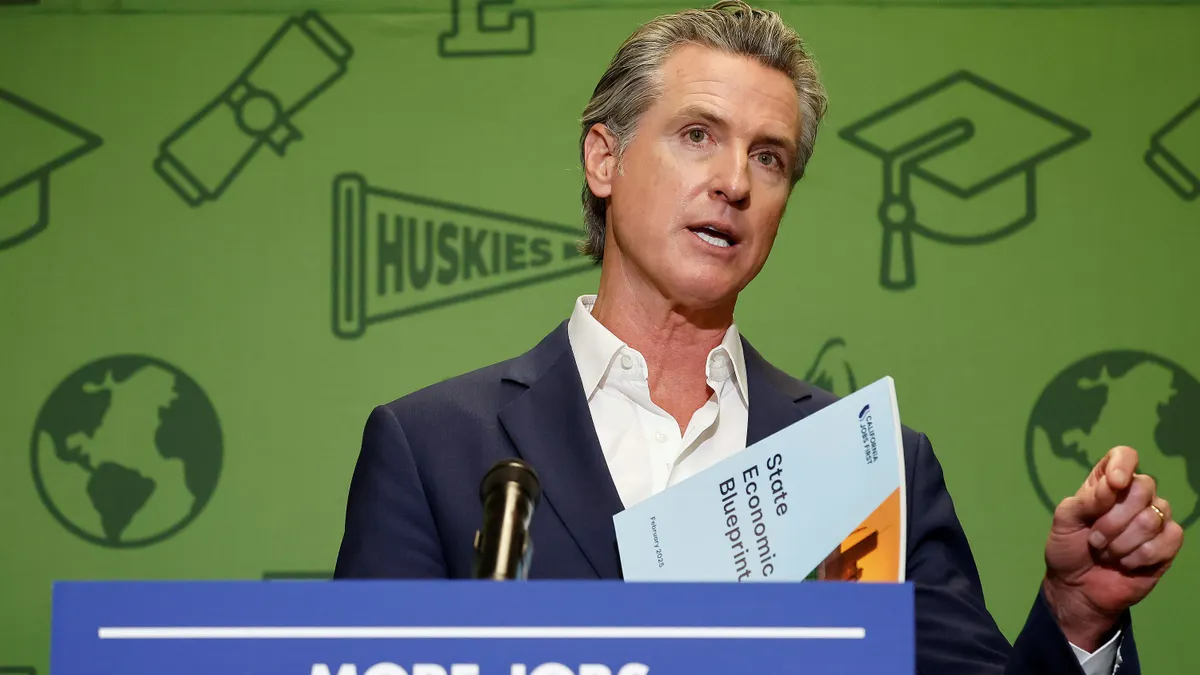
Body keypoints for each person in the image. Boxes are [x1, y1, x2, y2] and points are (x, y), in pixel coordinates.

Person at [333, 3, 1183, 673]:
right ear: (605, 158)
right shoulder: (432, 448)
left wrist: (1078, 616)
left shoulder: (868, 464)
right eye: (697, 135)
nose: (734, 183)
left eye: (770, 157)